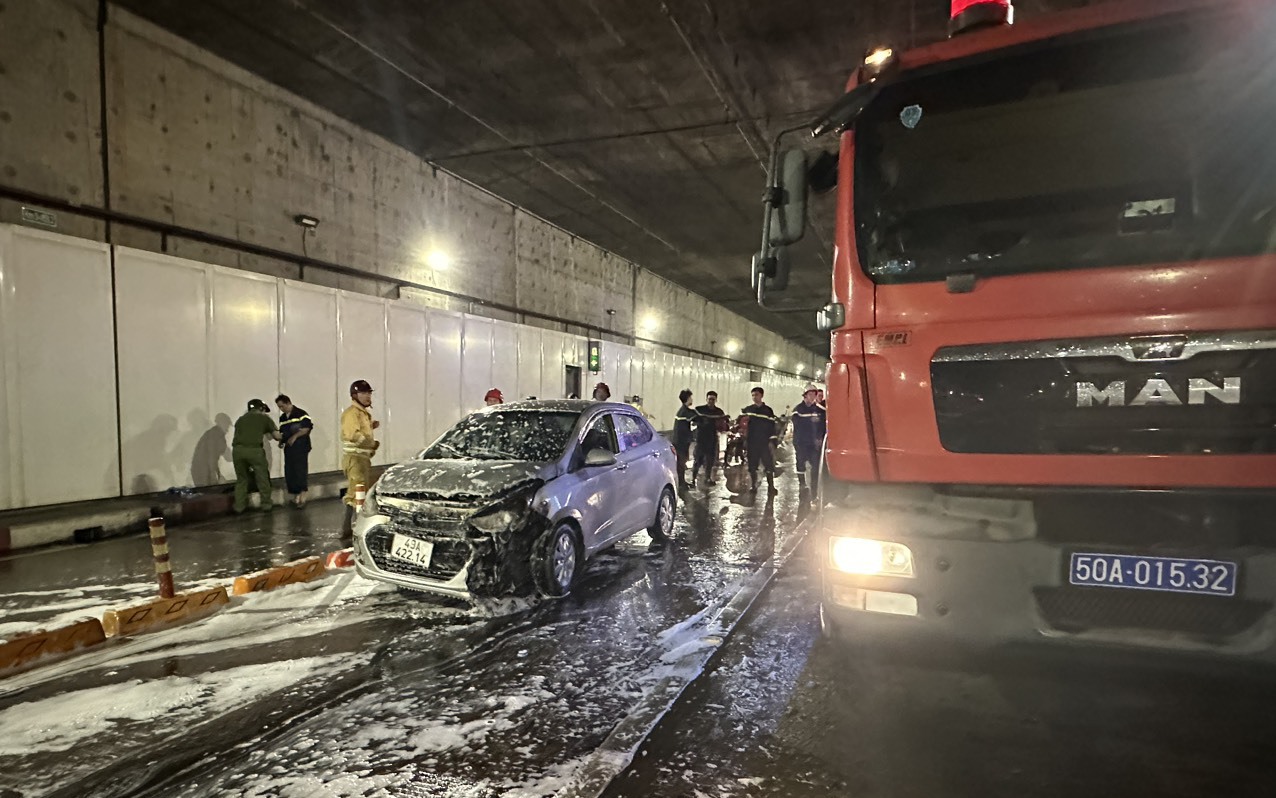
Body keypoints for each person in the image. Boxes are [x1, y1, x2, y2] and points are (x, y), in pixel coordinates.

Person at [340, 379, 380, 538]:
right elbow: (353, 434)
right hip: (355, 458)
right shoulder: (352, 413)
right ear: (355, 395)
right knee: (356, 492)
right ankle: (347, 529)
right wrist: (370, 442)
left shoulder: (362, 413)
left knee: (360, 491)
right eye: (364, 393)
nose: (368, 396)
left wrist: (371, 426)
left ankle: (351, 528)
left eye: (369, 393)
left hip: (362, 458)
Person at [231, 399, 281, 513]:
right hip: (254, 451)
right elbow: (277, 436)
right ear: (261, 408)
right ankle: (266, 505)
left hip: (237, 451)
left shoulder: (241, 419)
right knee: (262, 477)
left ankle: (239, 506)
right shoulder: (264, 418)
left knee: (242, 479)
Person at [275, 394, 314, 508]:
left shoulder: (301, 414)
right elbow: (283, 432)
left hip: (300, 447)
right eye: (279, 407)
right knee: (290, 471)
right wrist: (281, 441)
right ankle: (295, 496)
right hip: (289, 448)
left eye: (282, 406)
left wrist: (295, 436)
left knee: (300, 470)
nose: (281, 409)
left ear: (288, 403)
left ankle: (302, 496)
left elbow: (306, 429)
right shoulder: (282, 418)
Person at [792, 385, 827, 497]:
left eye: (814, 394)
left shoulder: (820, 410)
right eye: (810, 394)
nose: (812, 396)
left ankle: (814, 492)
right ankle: (802, 484)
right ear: (805, 395)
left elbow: (823, 426)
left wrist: (819, 438)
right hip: (801, 442)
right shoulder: (798, 410)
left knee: (815, 466)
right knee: (800, 463)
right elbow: (798, 426)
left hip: (814, 444)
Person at [743, 387, 779, 493]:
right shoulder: (748, 410)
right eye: (753, 395)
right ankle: (753, 485)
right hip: (751, 443)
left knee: (768, 465)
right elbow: (743, 425)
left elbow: (772, 427)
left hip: (764, 443)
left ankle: (771, 487)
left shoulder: (768, 411)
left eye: (756, 395)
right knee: (752, 466)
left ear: (762, 396)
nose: (754, 397)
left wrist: (772, 442)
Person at [691, 391, 728, 486]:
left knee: (710, 460)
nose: (711, 401)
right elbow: (693, 421)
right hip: (701, 438)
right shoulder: (699, 410)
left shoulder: (719, 412)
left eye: (713, 399)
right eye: (709, 399)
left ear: (716, 400)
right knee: (698, 460)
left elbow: (723, 424)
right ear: (706, 399)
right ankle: (693, 479)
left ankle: (707, 478)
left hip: (712, 439)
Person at [672, 389, 696, 489]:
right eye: (690, 397)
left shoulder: (682, 411)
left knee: (682, 462)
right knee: (681, 462)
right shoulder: (685, 412)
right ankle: (681, 483)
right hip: (681, 442)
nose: (692, 399)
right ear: (687, 398)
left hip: (679, 441)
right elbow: (697, 417)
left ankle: (682, 482)